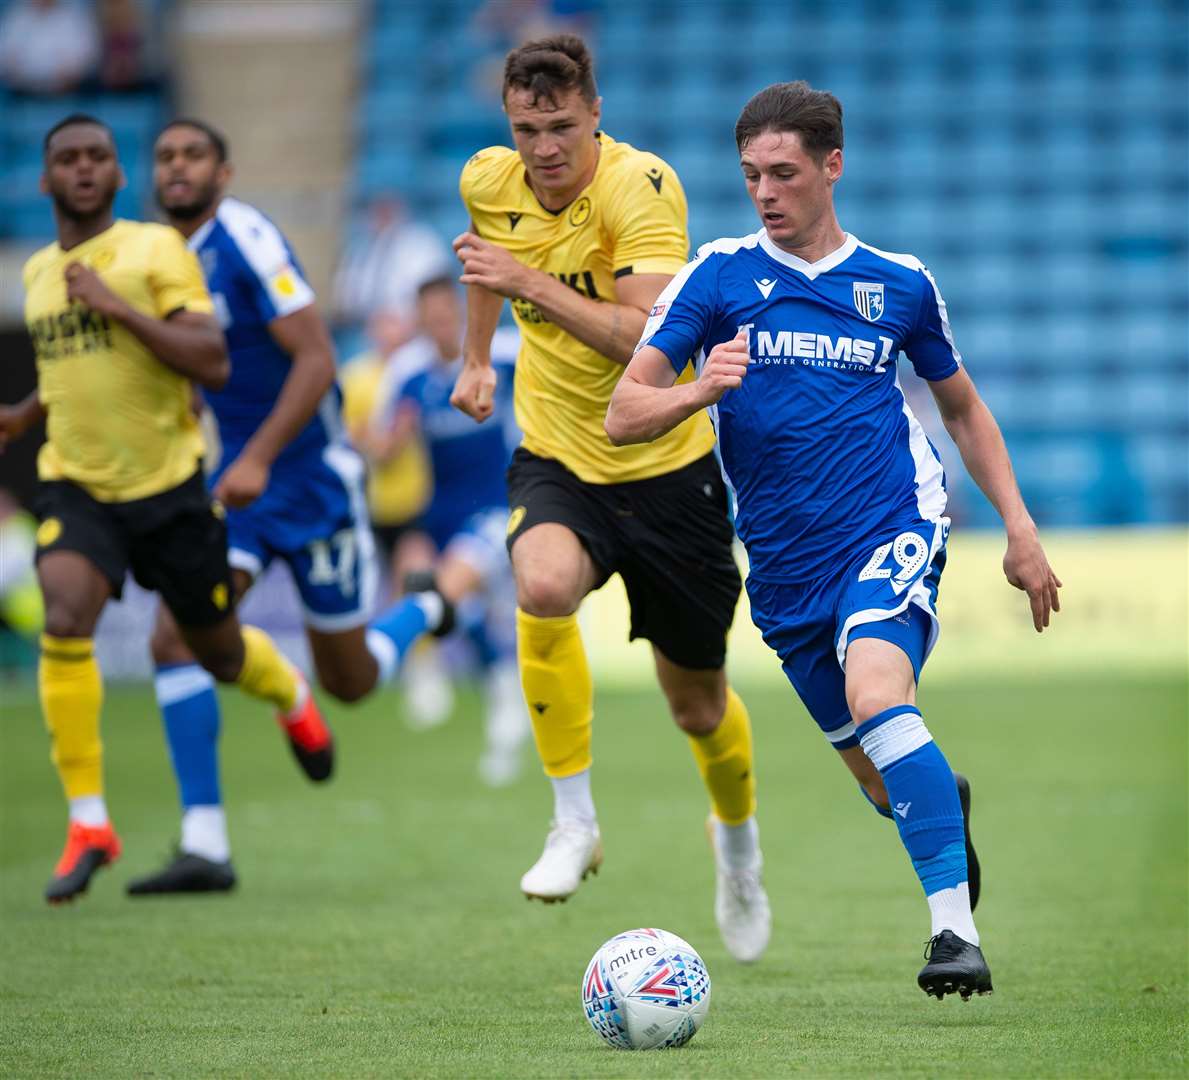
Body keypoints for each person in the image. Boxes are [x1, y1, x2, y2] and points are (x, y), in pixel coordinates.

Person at [605, 81, 1063, 999]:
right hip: (779, 567)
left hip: (889, 524)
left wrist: (1019, 529)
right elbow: (624, 414)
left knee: (875, 682)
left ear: (830, 166)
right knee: (878, 770)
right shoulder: (718, 277)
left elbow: (962, 410)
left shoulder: (898, 283)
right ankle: (939, 800)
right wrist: (698, 390)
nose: (765, 192)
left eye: (782, 173)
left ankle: (952, 937)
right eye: (749, 176)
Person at [449, 34, 769, 962]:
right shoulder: (488, 178)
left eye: (558, 127)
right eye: (524, 129)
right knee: (540, 585)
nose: (541, 149)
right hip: (558, 454)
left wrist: (528, 285)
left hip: (667, 462)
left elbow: (644, 339)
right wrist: (476, 357)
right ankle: (571, 820)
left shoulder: (642, 189)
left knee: (697, 706)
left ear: (594, 114)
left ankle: (737, 844)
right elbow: (481, 256)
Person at [123, 119, 458, 894]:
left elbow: (314, 359)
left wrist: (260, 457)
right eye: (165, 156)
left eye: (193, 155)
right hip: (238, 487)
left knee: (352, 681)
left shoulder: (246, 237)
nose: (177, 168)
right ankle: (205, 844)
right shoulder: (153, 255)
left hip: (310, 481)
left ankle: (423, 612)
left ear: (224, 170)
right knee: (176, 635)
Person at [0, 114, 325, 904]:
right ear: (44, 181)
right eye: (66, 160)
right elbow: (78, 368)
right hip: (77, 486)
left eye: (97, 158)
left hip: (172, 488)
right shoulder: (39, 270)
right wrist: (24, 414)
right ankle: (89, 822)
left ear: (117, 177)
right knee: (64, 613)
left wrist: (117, 304)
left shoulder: (156, 251)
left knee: (214, 651)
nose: (82, 170)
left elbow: (209, 360)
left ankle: (288, 693)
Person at [371, 276, 528, 784]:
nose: (442, 327)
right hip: (436, 508)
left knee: (447, 585)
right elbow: (384, 448)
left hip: (497, 504)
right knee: (428, 583)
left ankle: (401, 658)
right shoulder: (407, 372)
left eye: (449, 316)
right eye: (432, 318)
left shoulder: (505, 354)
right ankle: (482, 680)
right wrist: (379, 441)